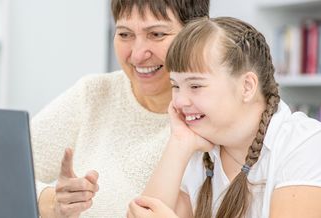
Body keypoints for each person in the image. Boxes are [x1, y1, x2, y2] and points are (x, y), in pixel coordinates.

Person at [127, 17, 321, 218]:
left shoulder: (304, 144)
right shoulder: (200, 148)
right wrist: (178, 143)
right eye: (175, 86)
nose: (179, 102)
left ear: (247, 86)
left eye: (195, 85)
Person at [31, 1, 210, 217]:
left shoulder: (214, 118)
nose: (136, 55)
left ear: (198, 34)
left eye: (156, 34)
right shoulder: (94, 94)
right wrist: (50, 201)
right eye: (125, 34)